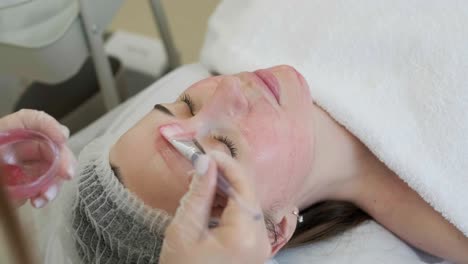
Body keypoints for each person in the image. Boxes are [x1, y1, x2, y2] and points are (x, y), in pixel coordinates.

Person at [70, 65, 468, 263]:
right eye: (226, 144)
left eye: (184, 103)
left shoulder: (243, 29)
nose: (227, 87)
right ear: (274, 232)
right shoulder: (453, 209)